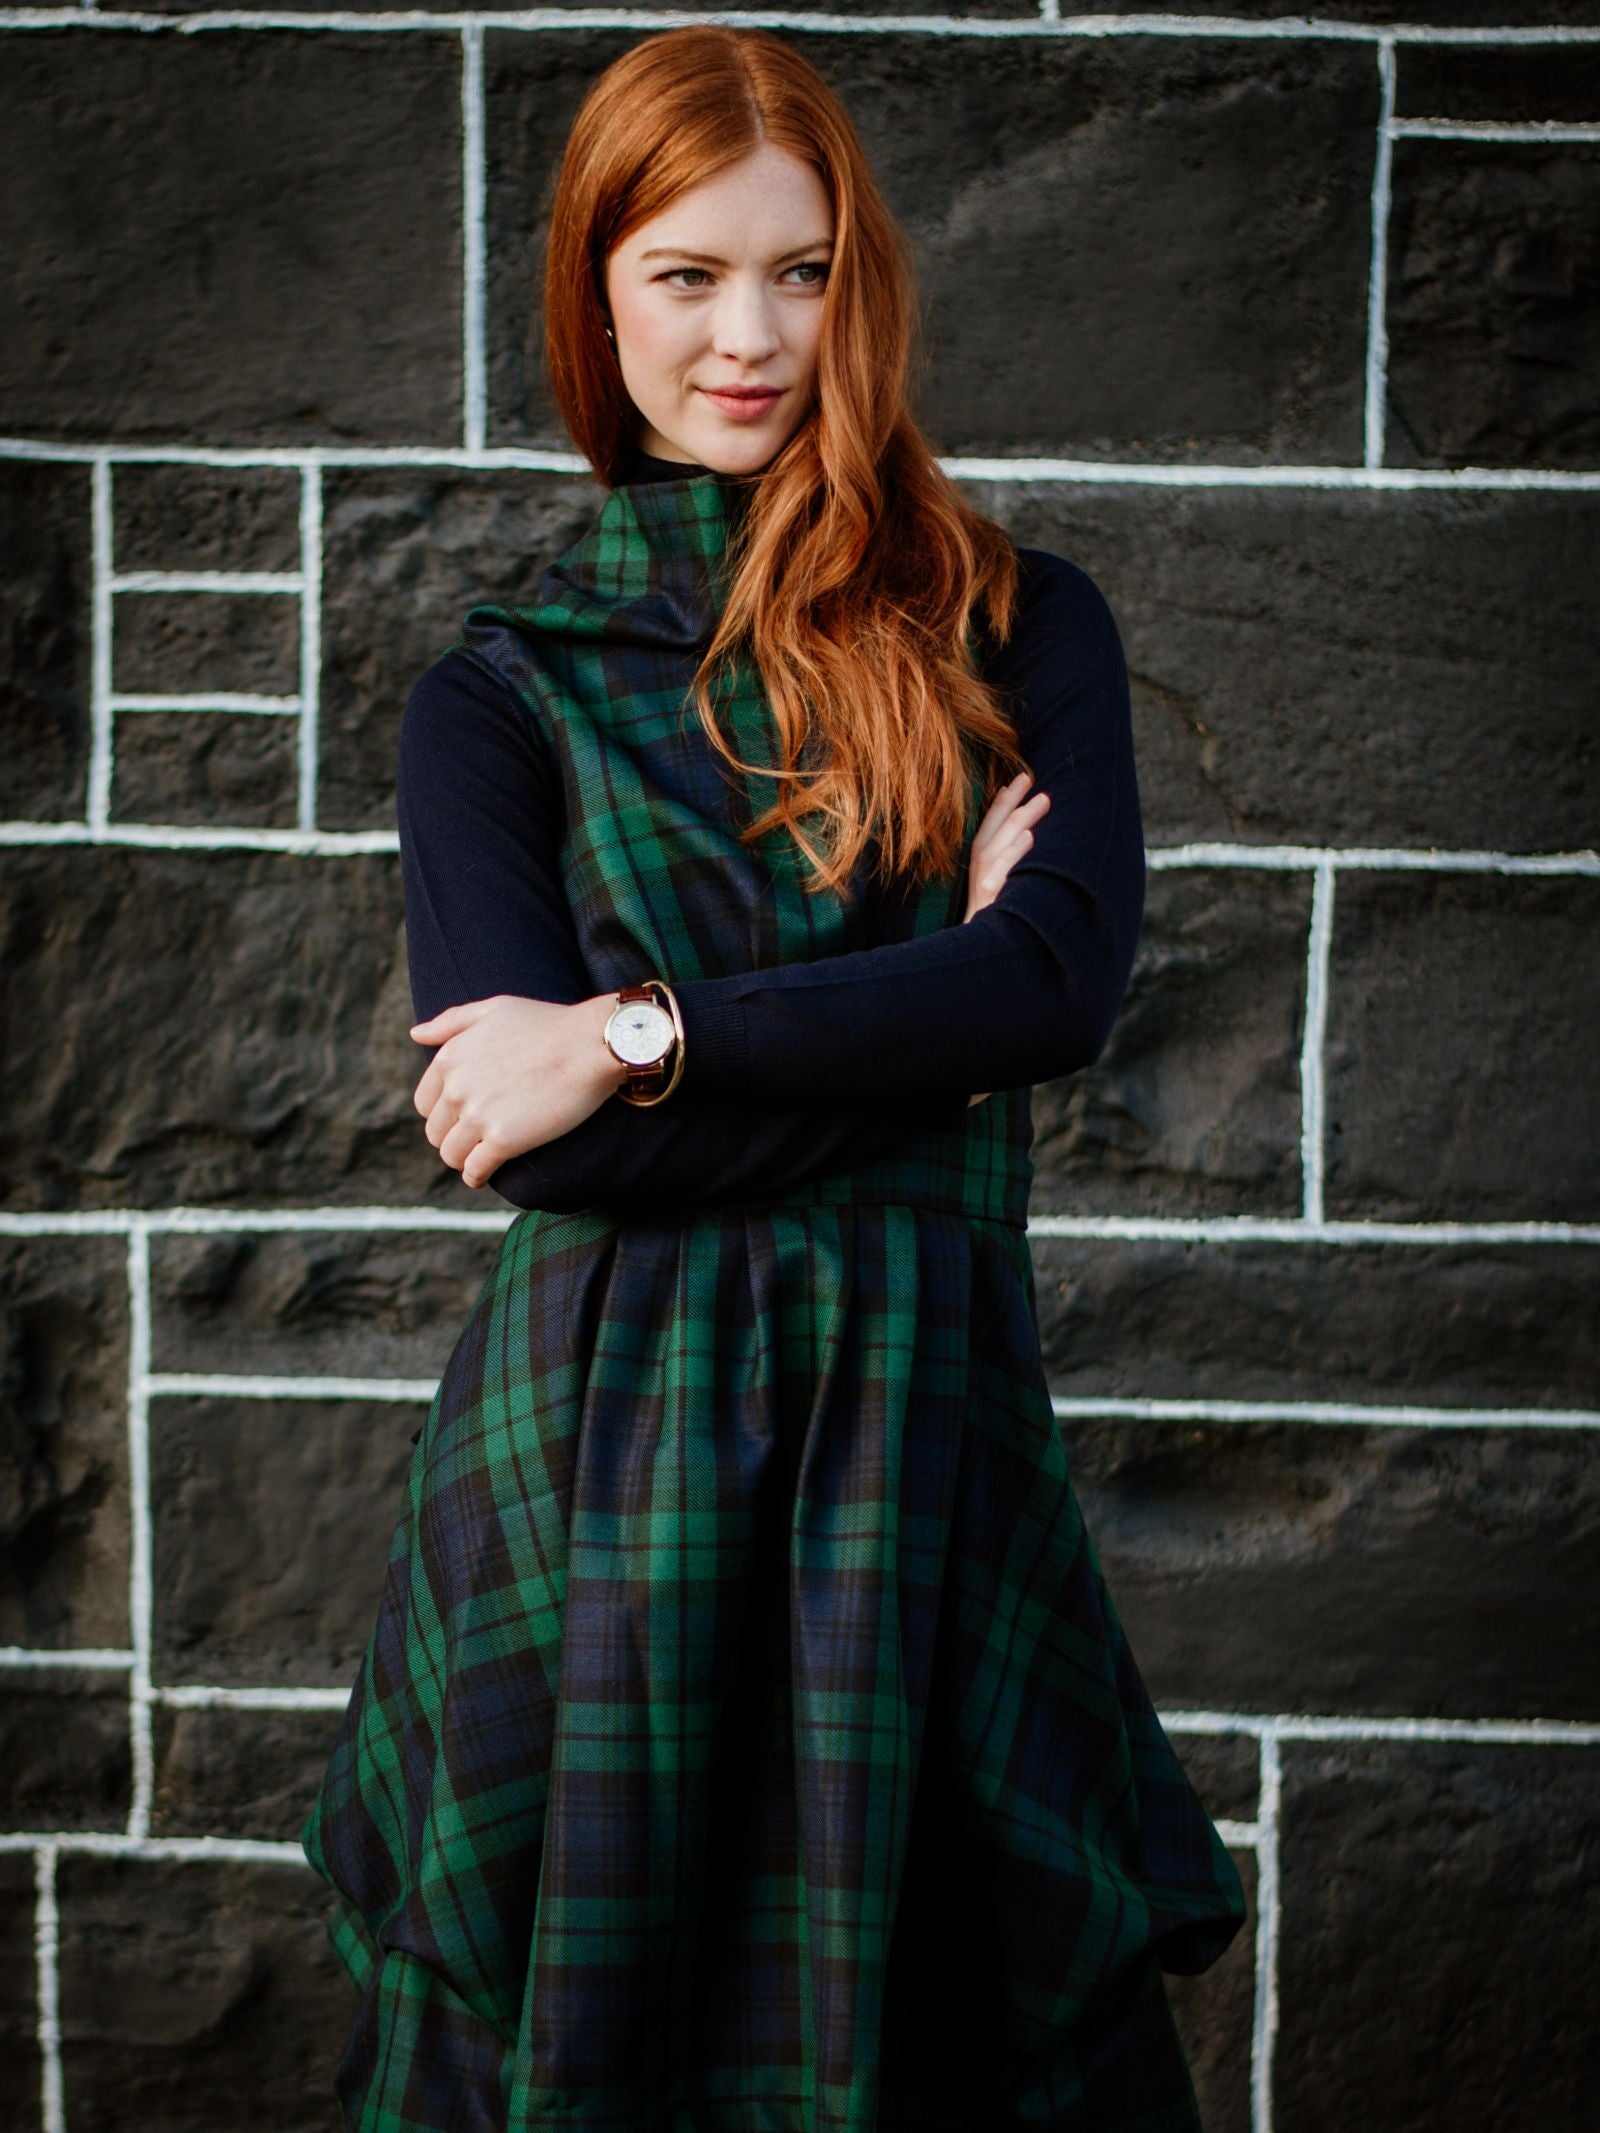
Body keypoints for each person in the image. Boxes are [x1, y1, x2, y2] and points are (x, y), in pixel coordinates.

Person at [301, 23, 1247, 2131]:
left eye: (801, 272)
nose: (750, 335)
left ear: (863, 284)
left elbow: (1057, 989)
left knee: (949, 2034)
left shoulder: (1013, 623)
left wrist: (639, 1038)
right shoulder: (496, 695)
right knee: (571, 2034)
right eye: (687, 275)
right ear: (593, 292)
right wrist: (929, 1007)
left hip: (920, 1444)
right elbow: (531, 1153)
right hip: (593, 1467)